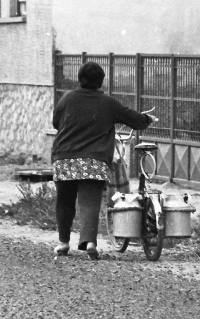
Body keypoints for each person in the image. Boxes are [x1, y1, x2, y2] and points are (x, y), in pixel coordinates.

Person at [51, 61, 154, 259]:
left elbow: (56, 123)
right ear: (101, 81)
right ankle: (89, 242)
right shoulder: (108, 103)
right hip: (94, 160)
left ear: (79, 79)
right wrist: (147, 119)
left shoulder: (67, 98)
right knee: (90, 202)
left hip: (64, 157)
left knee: (64, 201)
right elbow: (135, 120)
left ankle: (63, 243)